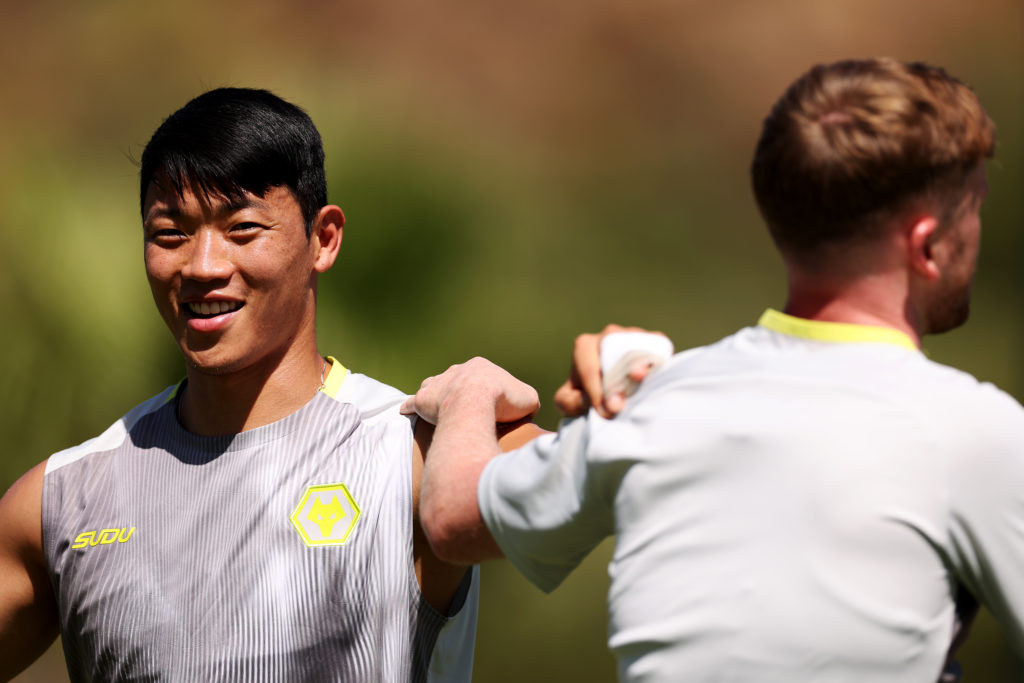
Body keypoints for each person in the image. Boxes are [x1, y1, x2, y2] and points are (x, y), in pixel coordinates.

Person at [404, 58, 1023, 682]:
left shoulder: (660, 401)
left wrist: (469, 386)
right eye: (972, 207)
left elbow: (453, 517)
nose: (976, 226)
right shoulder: (975, 431)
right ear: (928, 244)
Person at [0, 87, 544, 681]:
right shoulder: (57, 503)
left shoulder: (415, 453)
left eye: (243, 228)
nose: (203, 266)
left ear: (324, 238)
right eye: (170, 234)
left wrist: (469, 400)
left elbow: (581, 490)